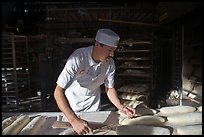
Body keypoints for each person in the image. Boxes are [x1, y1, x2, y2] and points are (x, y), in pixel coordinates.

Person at [54, 28, 136, 135]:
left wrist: (121, 107)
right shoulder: (78, 58)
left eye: (113, 51)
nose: (112, 55)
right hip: (72, 109)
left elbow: (109, 88)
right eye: (109, 50)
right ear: (97, 44)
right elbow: (58, 92)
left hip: (94, 109)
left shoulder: (109, 64)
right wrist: (74, 120)